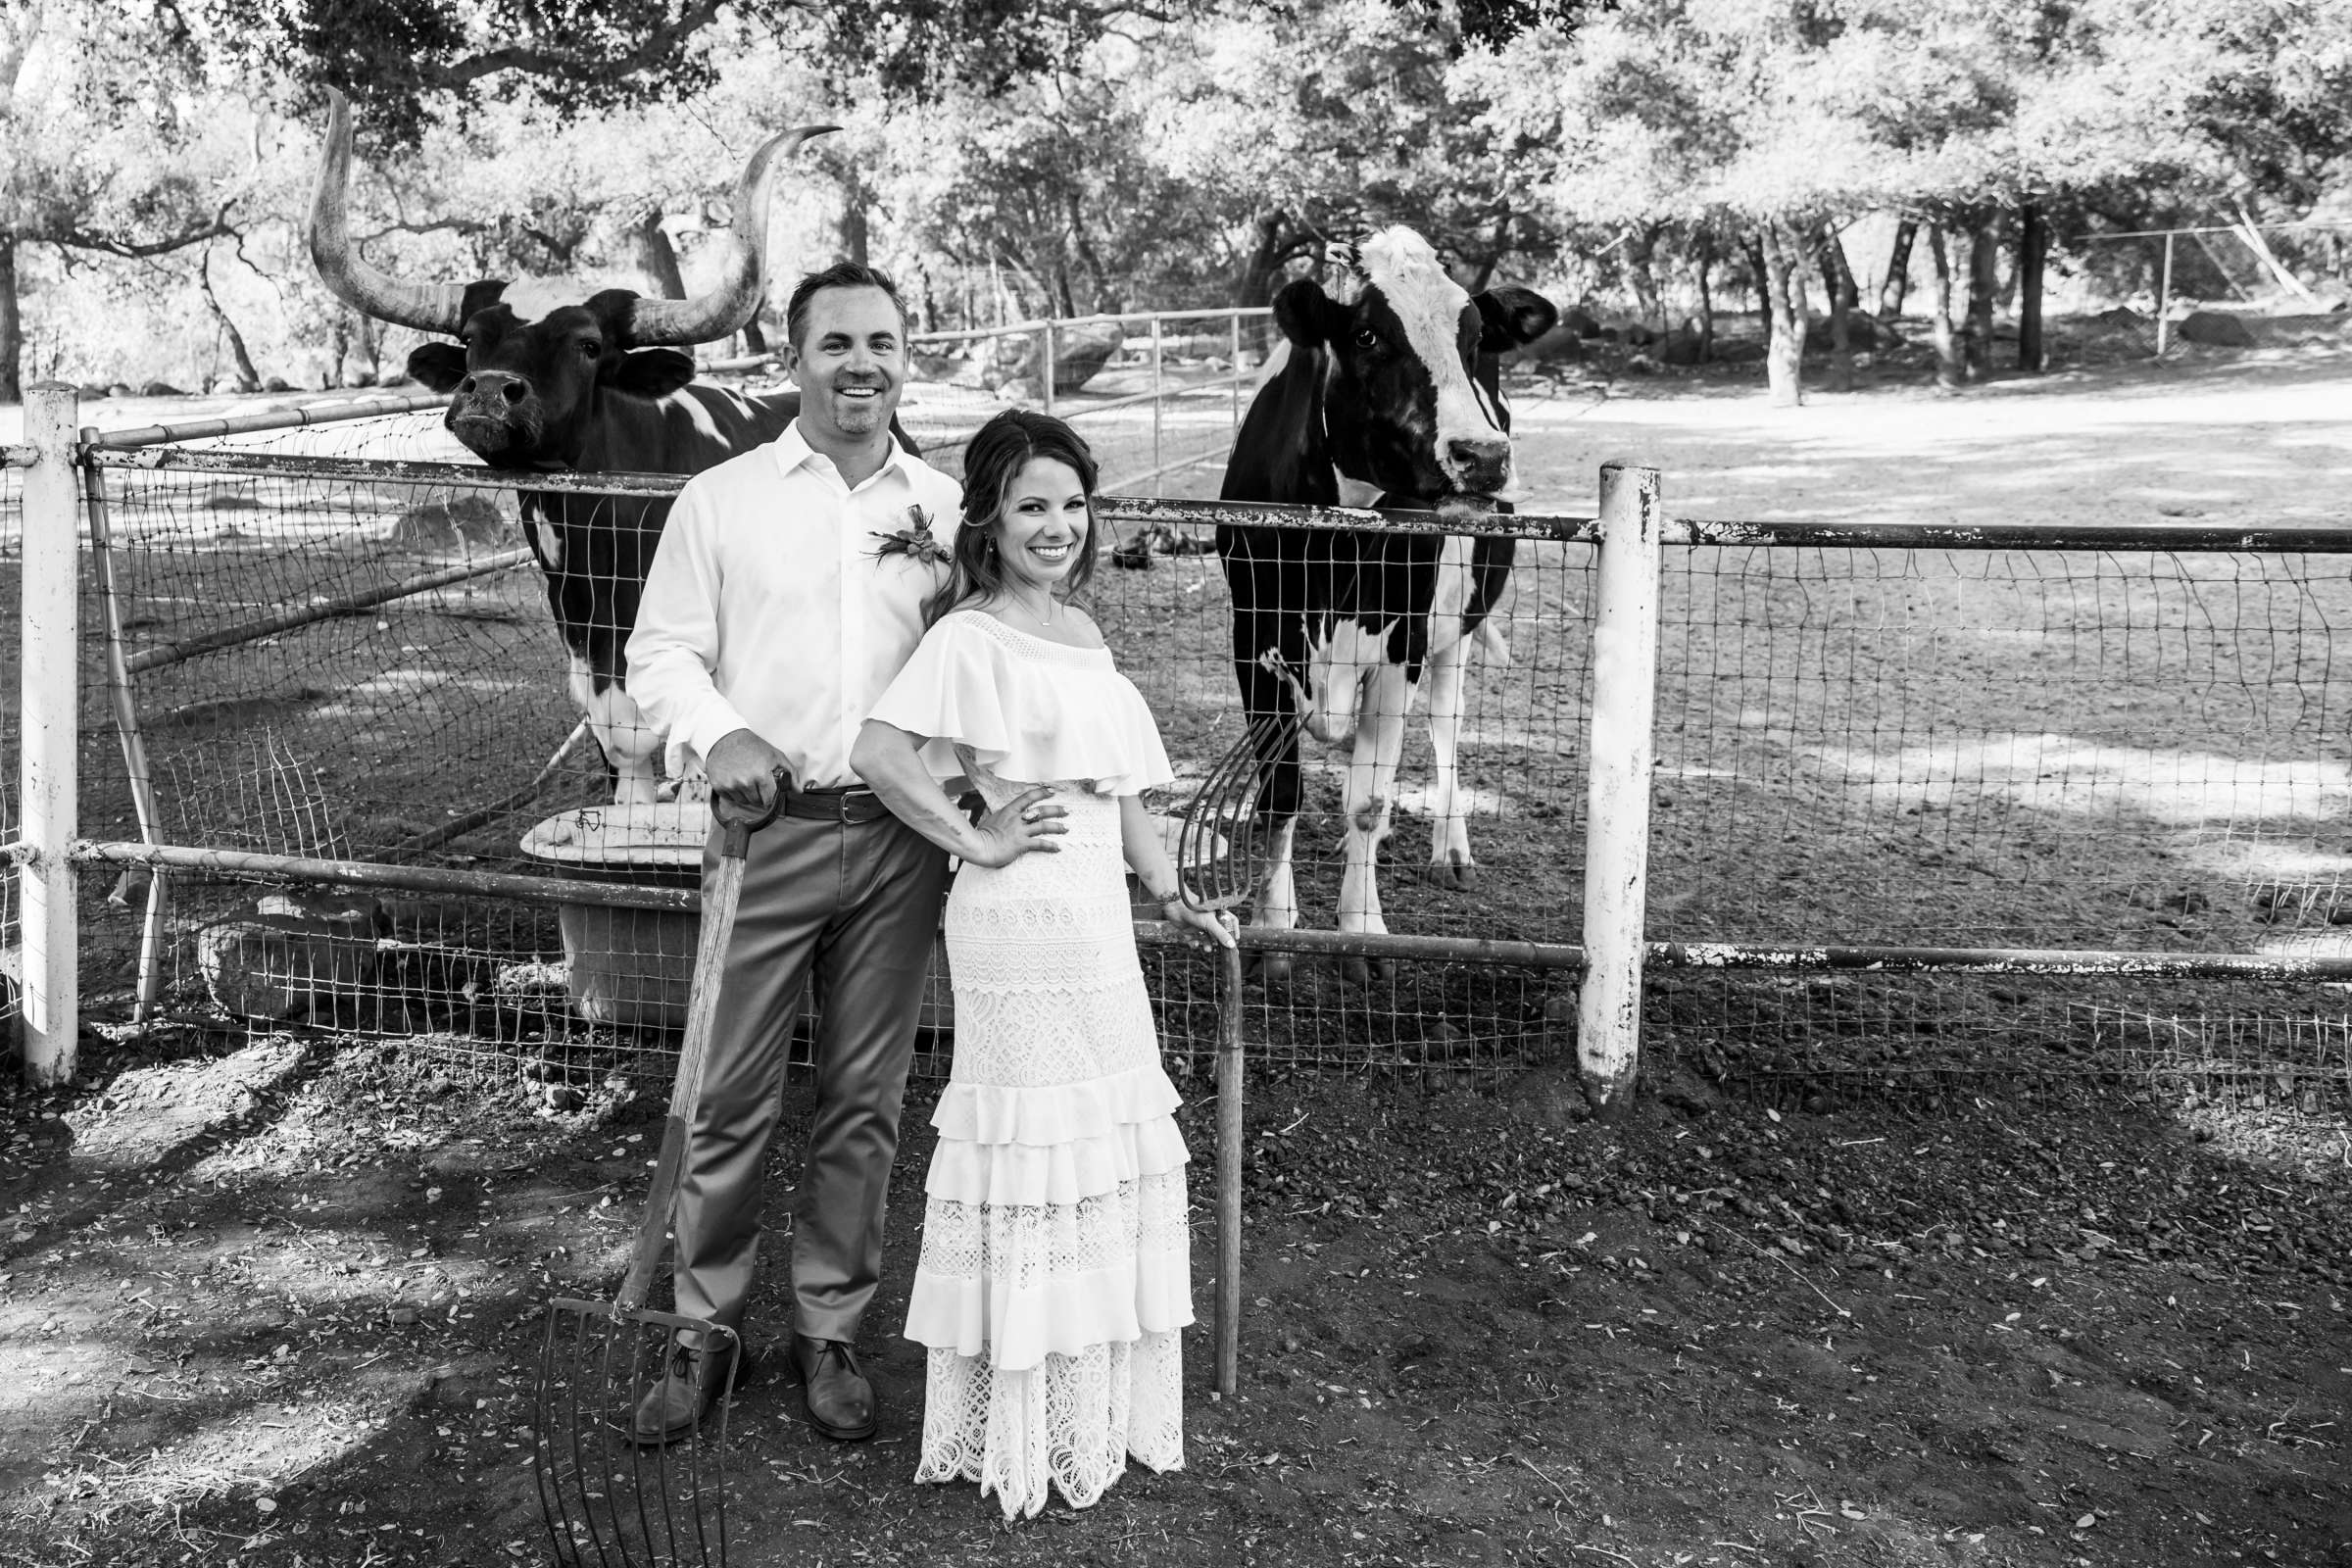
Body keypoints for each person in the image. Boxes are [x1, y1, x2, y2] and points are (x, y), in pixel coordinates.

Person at [623, 263, 1067, 1446]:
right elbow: (660, 656)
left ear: (905, 357)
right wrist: (720, 734)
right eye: (836, 344)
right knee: (726, 1094)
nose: (860, 364)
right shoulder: (721, 501)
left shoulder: (942, 512)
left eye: (882, 342)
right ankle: (703, 1327)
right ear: (793, 358)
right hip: (761, 833)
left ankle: (828, 1328)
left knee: (864, 1099)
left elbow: (989, 659)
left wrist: (1001, 802)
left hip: (898, 846)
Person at [852, 409, 1235, 1519]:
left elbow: (1120, 797)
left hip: (1099, 925)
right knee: (1032, 1149)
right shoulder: (969, 637)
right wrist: (974, 834)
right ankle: (1016, 1426)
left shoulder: (1083, 634)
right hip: (1014, 918)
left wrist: (1171, 893)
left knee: (1104, 1147)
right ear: (990, 518)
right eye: (1033, 506)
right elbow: (880, 752)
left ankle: (1093, 1411)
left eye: (1072, 503)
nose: (1059, 525)